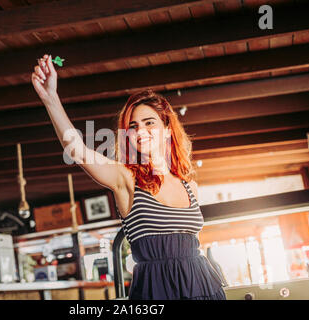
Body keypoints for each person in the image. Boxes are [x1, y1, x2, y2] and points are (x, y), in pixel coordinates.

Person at [31, 54, 226, 300]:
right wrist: (50, 98)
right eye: (133, 127)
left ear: (167, 130)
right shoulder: (125, 178)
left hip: (204, 287)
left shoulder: (190, 187)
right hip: (156, 292)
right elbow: (78, 151)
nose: (140, 131)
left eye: (149, 123)